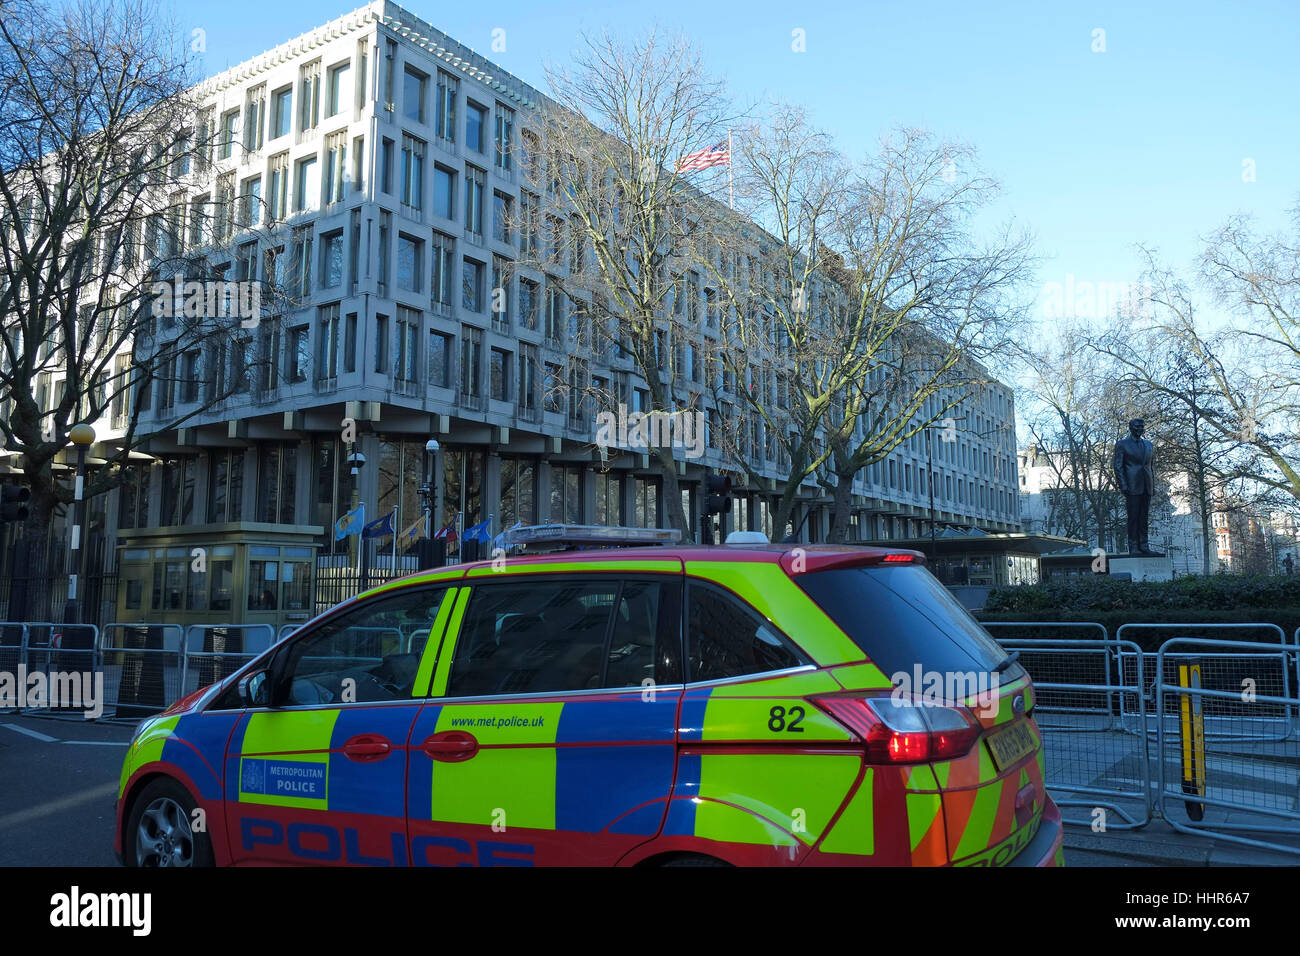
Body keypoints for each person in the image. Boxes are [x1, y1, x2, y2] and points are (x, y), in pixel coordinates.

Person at [1113, 418, 1155, 555]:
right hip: (1132, 485)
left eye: (1142, 426)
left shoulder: (1149, 445)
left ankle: (1144, 545)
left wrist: (1152, 486)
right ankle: (1133, 546)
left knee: (1144, 517)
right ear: (1131, 427)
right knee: (1133, 517)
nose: (1140, 429)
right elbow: (1118, 466)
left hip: (1146, 485)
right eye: (1137, 426)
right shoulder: (1122, 444)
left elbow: (1150, 466)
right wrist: (1123, 485)